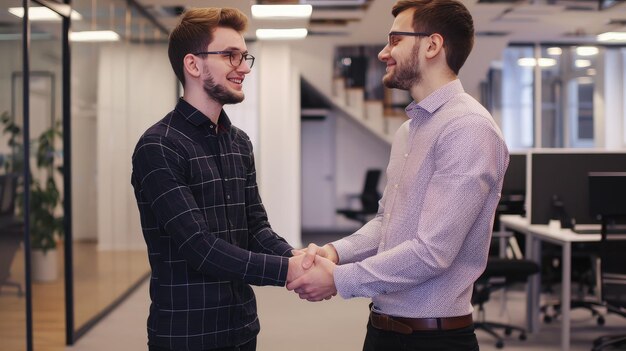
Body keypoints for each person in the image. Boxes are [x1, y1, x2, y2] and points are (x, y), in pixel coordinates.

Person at [288, 0, 510, 350]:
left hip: (434, 338)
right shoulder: (409, 131)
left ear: (432, 45)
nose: (382, 53)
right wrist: (334, 252)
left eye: (394, 40)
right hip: (382, 329)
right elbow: (386, 223)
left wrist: (340, 279)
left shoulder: (468, 129)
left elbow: (432, 252)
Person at [131, 7, 308, 351]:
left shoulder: (239, 142)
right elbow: (200, 247)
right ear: (193, 65)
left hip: (241, 326)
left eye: (244, 56)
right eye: (230, 56)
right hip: (187, 334)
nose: (243, 67)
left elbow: (256, 228)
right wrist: (289, 272)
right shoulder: (158, 146)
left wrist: (294, 257)